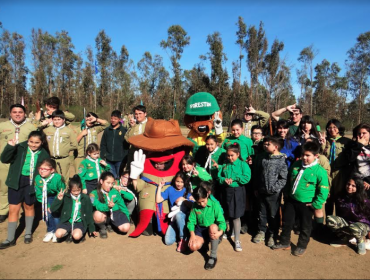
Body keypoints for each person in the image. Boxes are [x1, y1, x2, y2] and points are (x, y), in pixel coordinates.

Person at [272, 141, 329, 256]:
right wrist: (287, 193)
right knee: (287, 222)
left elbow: (323, 191)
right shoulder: (296, 165)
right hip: (291, 201)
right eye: (303, 154)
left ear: (316, 156)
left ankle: (302, 245)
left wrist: (316, 204)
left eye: (308, 155)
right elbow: (289, 180)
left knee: (305, 226)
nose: (304, 157)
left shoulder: (320, 171)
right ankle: (284, 242)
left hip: (307, 204)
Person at [0, 131, 50, 249]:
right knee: (13, 209)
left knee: (29, 206)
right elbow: (4, 159)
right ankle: (10, 238)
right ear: (28, 140)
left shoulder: (44, 153)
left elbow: (47, 168)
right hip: (16, 181)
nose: (33, 145)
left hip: (32, 182)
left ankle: (28, 233)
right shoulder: (20, 148)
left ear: (42, 142)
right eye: (31, 142)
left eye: (37, 143)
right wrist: (10, 147)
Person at [0, 104, 37, 223]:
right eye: (14, 112)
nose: (17, 114)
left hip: (23, 163)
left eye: (20, 112)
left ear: (24, 114)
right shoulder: (2, 126)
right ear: (10, 113)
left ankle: (25, 208)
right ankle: (3, 210)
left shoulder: (31, 127)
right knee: (4, 187)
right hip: (5, 162)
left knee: (22, 186)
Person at [252, 136, 288, 247]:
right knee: (262, 213)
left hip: (274, 194)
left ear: (275, 147)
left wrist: (274, 189)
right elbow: (258, 174)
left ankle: (273, 233)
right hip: (261, 191)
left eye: (268, 144)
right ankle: (261, 231)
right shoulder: (262, 158)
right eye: (265, 144)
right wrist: (257, 188)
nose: (265, 146)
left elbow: (283, 178)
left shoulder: (281, 160)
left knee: (273, 214)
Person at [218, 143, 251, 252]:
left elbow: (246, 178)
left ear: (238, 154)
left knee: (236, 215)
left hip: (237, 192)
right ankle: (230, 232)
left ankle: (237, 240)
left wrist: (235, 178)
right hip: (226, 191)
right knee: (228, 212)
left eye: (232, 155)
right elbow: (219, 176)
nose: (230, 157)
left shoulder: (243, 164)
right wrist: (224, 180)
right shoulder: (225, 164)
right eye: (228, 155)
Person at [187, 183, 226, 270]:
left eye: (203, 201)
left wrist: (220, 232)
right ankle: (204, 244)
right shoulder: (194, 206)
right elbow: (191, 222)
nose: (202, 204)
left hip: (212, 230)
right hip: (200, 229)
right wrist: (192, 235)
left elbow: (222, 222)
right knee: (192, 246)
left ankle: (213, 256)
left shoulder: (215, 205)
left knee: (213, 227)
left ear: (207, 195)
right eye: (199, 202)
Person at [327, 177, 370, 255]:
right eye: (348, 184)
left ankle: (360, 242)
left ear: (358, 187)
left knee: (354, 228)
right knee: (330, 220)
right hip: (347, 223)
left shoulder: (365, 200)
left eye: (353, 186)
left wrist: (368, 236)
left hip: (362, 225)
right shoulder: (340, 197)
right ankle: (345, 239)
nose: (349, 187)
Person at [52, 175, 97, 243]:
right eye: (74, 191)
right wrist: (59, 200)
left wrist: (91, 228)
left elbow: (89, 214)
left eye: (78, 190)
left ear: (81, 188)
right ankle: (68, 233)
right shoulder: (65, 197)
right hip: (67, 222)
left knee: (76, 236)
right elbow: (53, 209)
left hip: (79, 222)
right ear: (70, 189)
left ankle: (78, 234)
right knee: (58, 234)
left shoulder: (85, 198)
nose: (76, 193)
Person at [156, 171, 194, 252]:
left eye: (181, 182)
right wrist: (160, 187)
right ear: (174, 181)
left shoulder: (185, 191)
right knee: (168, 241)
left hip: (184, 218)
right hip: (173, 219)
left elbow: (193, 204)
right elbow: (158, 200)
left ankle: (182, 239)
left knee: (179, 215)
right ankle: (180, 234)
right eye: (177, 181)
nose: (179, 184)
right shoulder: (170, 189)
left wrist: (184, 199)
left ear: (184, 183)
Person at [321, 119, 351, 215]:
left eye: (334, 127)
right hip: (327, 173)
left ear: (339, 128)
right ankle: (329, 223)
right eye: (329, 127)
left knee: (340, 199)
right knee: (328, 198)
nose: (332, 129)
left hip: (340, 174)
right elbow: (321, 156)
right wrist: (322, 143)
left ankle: (339, 223)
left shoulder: (347, 142)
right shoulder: (325, 141)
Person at [90, 172, 131, 238]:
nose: (110, 185)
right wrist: (107, 207)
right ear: (101, 181)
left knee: (126, 228)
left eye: (112, 183)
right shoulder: (93, 194)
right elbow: (98, 205)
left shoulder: (114, 191)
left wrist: (127, 218)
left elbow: (122, 206)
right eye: (108, 183)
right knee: (97, 215)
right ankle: (102, 228)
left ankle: (112, 225)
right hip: (103, 213)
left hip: (115, 212)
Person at [34, 159, 65, 243]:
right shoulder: (37, 178)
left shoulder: (57, 177)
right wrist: (46, 205)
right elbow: (39, 193)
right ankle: (50, 230)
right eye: (40, 168)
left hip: (56, 197)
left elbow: (61, 189)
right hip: (45, 198)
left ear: (52, 170)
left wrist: (57, 202)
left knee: (55, 214)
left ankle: (56, 231)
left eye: (45, 169)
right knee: (47, 214)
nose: (42, 171)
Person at [42, 110, 77, 183]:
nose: (57, 121)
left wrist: (65, 149)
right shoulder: (47, 130)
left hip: (63, 159)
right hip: (51, 159)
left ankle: (64, 193)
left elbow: (74, 145)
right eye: (55, 119)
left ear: (63, 120)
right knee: (50, 178)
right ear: (52, 120)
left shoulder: (69, 131)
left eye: (59, 119)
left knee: (63, 179)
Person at [194, 135, 226, 199]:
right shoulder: (206, 151)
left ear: (216, 143)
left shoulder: (222, 152)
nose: (209, 146)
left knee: (219, 197)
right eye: (207, 144)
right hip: (209, 178)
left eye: (212, 144)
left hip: (218, 178)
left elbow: (226, 165)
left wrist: (218, 166)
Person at [100, 110, 129, 179]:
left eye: (115, 119)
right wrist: (102, 157)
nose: (113, 120)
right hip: (109, 159)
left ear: (119, 119)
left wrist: (124, 159)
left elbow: (126, 146)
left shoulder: (124, 130)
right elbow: (103, 144)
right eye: (112, 118)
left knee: (119, 177)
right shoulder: (107, 130)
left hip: (120, 160)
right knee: (111, 177)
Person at [344, 123, 370, 195]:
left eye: (364, 133)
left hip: (367, 183)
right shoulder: (351, 146)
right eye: (359, 133)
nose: (361, 135)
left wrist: (368, 181)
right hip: (354, 183)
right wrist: (359, 145)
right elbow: (350, 159)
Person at [124, 105, 148, 170]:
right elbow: (127, 139)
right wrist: (132, 127)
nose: (138, 116)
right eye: (136, 114)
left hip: (146, 155)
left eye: (140, 113)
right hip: (133, 154)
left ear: (145, 114)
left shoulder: (150, 124)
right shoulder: (133, 125)